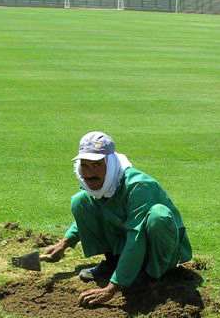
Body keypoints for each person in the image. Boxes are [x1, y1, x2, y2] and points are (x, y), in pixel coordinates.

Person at [41, 131, 192, 307]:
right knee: (81, 201)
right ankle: (113, 262)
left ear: (110, 163)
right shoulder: (101, 185)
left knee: (157, 216)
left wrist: (112, 288)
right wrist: (64, 243)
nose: (90, 173)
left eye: (97, 164)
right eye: (85, 165)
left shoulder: (138, 186)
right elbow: (99, 209)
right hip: (130, 236)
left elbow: (136, 236)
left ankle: (151, 274)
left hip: (160, 248)